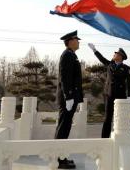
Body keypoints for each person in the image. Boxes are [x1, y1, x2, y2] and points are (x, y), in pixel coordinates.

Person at [88, 43, 130, 146]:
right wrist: (94, 50)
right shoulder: (110, 65)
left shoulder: (125, 68)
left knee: (127, 117)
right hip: (109, 95)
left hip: (121, 96)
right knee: (107, 118)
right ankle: (104, 140)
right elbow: (101, 59)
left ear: (120, 57)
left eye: (116, 53)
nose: (114, 54)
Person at [55, 30, 84, 169]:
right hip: (68, 97)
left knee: (65, 127)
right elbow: (65, 78)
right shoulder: (67, 55)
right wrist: (69, 96)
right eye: (76, 40)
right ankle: (59, 160)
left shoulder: (72, 55)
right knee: (63, 127)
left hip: (71, 97)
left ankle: (62, 156)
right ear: (70, 41)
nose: (78, 42)